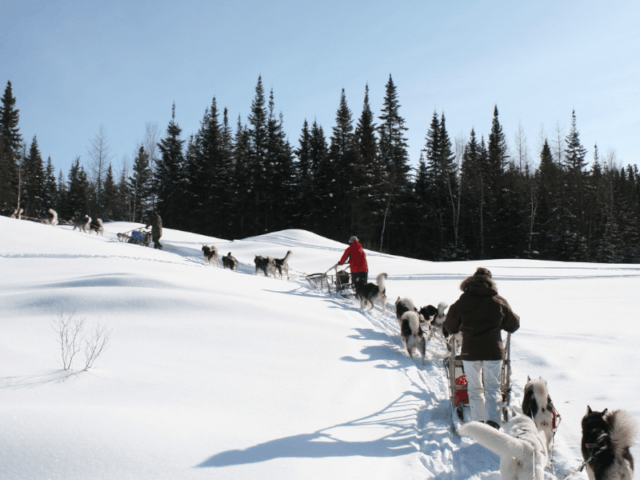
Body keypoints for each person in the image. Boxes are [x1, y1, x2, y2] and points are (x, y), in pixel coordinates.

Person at [443, 267, 519, 428]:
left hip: (470, 351)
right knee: (493, 387)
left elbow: (450, 326)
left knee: (474, 388)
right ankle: (494, 423)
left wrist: (458, 327)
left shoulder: (463, 301)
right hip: (494, 351)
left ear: (471, 281)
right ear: (491, 282)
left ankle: (479, 424)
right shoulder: (499, 300)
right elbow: (513, 324)